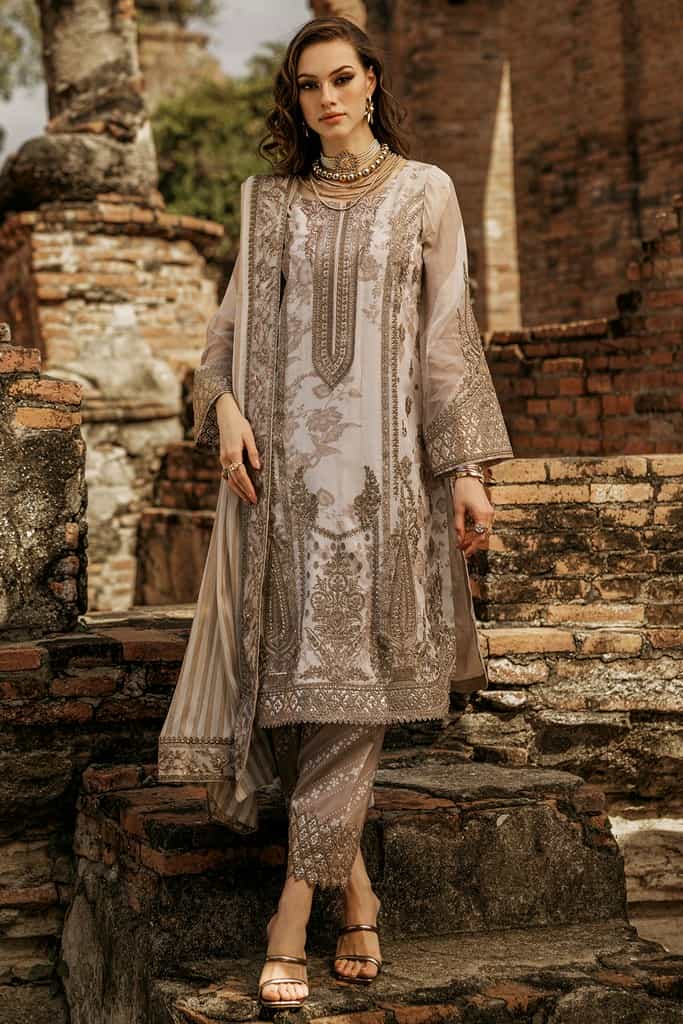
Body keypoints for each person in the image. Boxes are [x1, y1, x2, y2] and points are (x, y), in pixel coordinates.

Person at [157, 15, 514, 1010]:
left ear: (371, 82)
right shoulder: (269, 205)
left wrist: (466, 469)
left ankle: (291, 913)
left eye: (342, 78)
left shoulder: (424, 191)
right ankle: (356, 895)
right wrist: (225, 411)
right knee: (297, 691)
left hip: (388, 485)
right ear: (295, 99)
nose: (326, 98)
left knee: (356, 691)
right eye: (308, 84)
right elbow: (223, 337)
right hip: (281, 486)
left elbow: (447, 339)